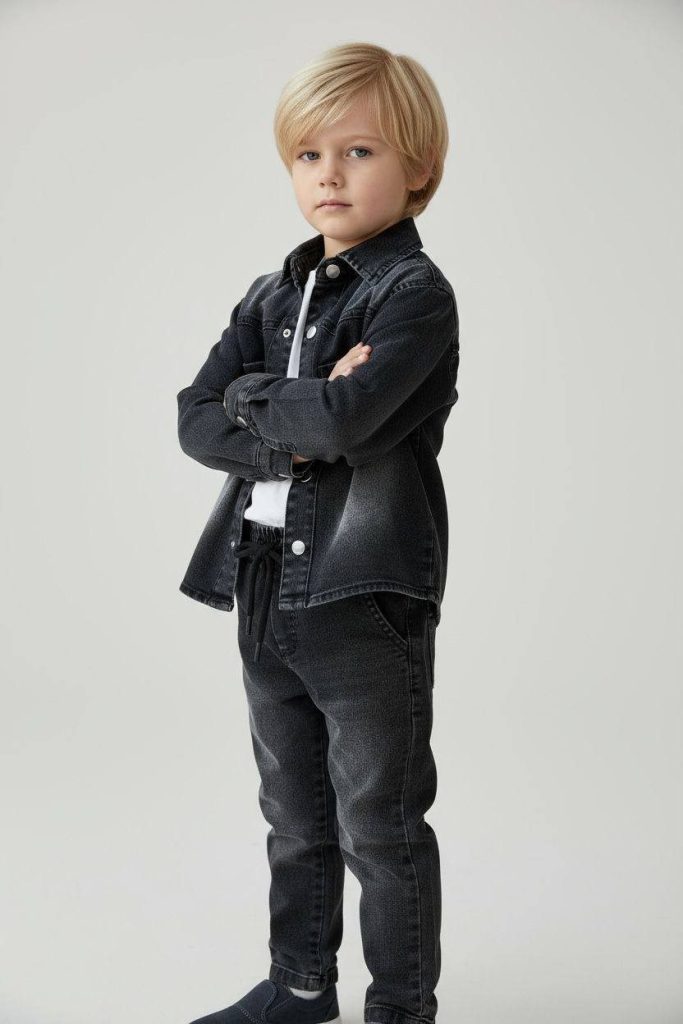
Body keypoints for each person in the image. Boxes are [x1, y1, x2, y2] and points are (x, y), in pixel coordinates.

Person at [177, 41, 460, 1024]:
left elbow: (348, 421)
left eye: (358, 152)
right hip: (261, 581)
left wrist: (261, 404)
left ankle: (400, 1010)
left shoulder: (412, 295)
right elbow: (193, 418)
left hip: (357, 593)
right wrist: (280, 401)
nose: (328, 175)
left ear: (418, 168)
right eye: (308, 155)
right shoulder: (271, 294)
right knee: (292, 815)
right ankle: (299, 989)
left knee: (378, 824)